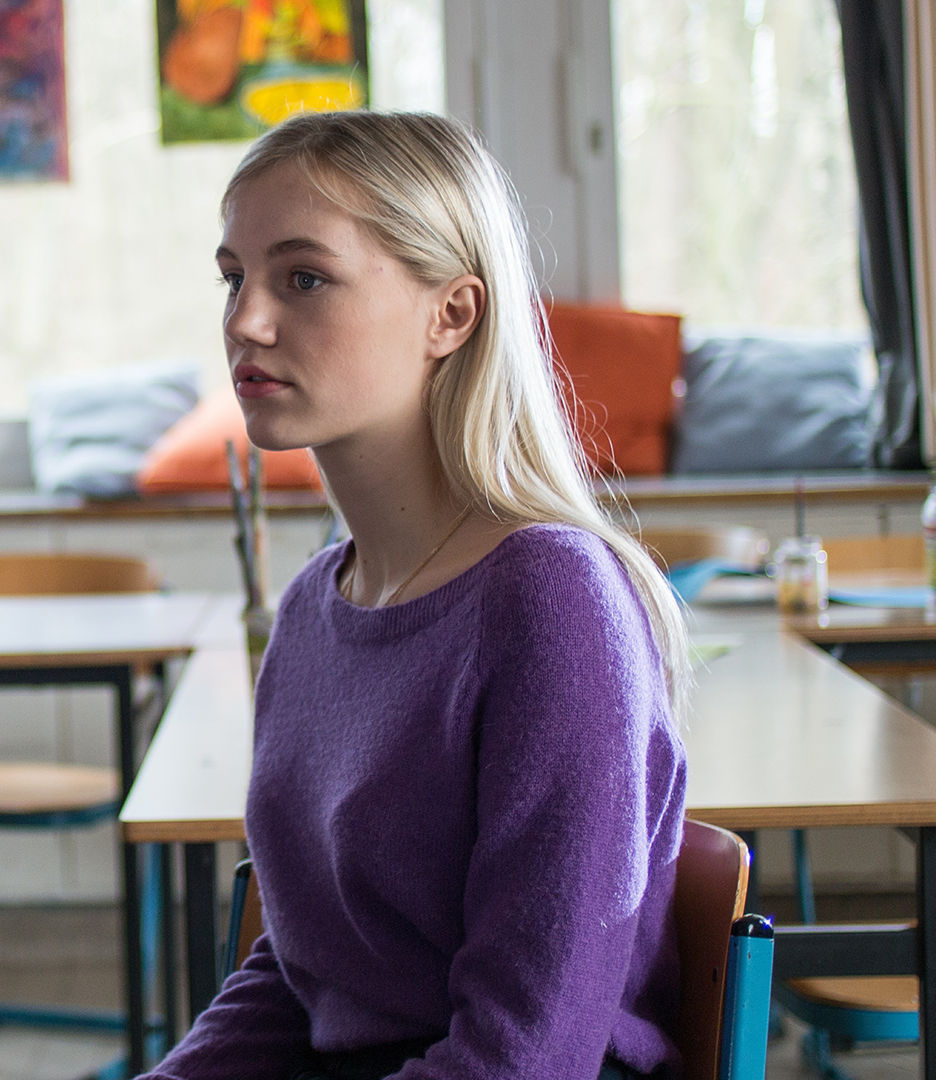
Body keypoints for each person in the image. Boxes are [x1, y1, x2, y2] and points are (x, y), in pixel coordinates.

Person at [144, 111, 690, 1080]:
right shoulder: (314, 607)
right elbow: (307, 973)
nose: (245, 322)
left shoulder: (551, 599)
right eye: (234, 278)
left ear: (453, 314)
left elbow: (527, 1055)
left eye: (302, 279)